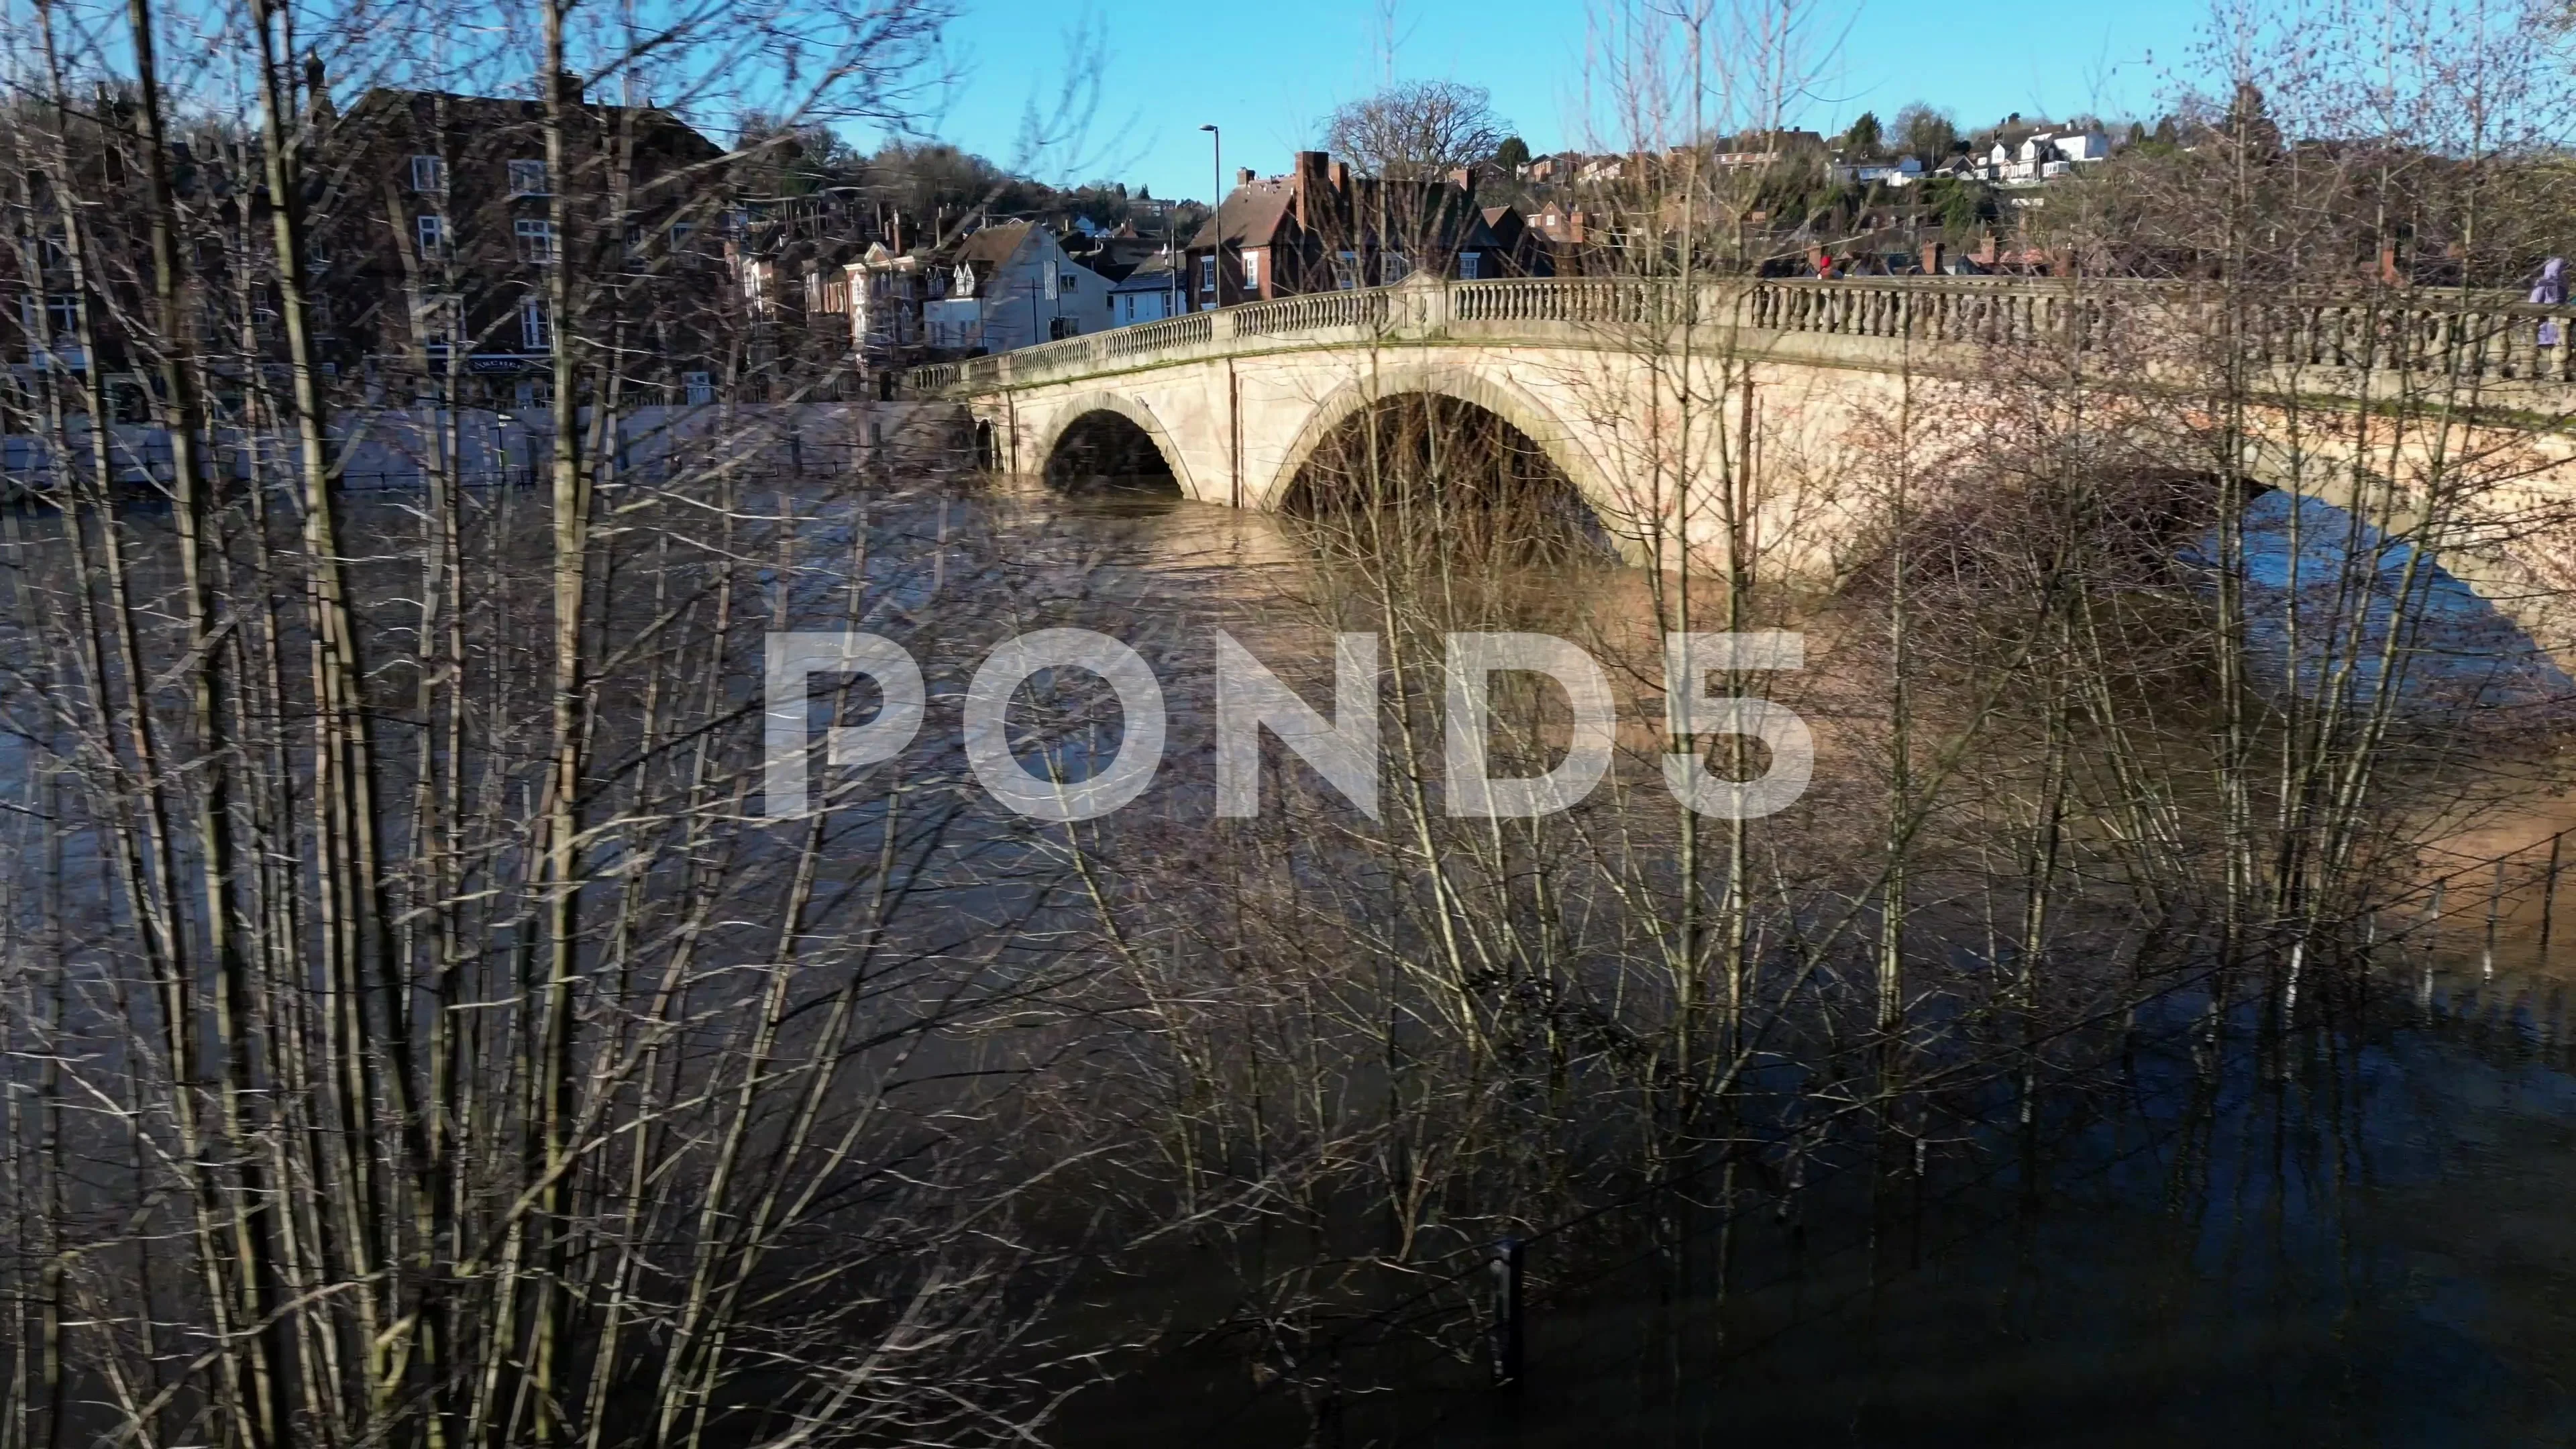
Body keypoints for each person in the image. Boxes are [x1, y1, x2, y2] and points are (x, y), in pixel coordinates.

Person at [2534, 256, 2565, 349]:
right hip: (2548, 306)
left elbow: (2537, 295)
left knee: (2551, 324)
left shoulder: (2561, 280)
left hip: (2555, 306)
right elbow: (2537, 294)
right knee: (2546, 324)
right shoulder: (2559, 280)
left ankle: (2548, 340)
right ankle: (2546, 340)